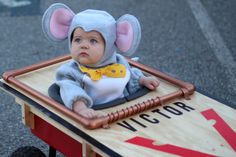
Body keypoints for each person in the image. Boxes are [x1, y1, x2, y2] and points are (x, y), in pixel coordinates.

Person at [42, 3, 159, 118]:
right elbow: (70, 89)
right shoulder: (70, 72)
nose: (84, 45)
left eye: (93, 41)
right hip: (95, 113)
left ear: (109, 45)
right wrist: (81, 108)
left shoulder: (119, 62)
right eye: (78, 40)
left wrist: (142, 80)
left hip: (124, 112)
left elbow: (130, 75)